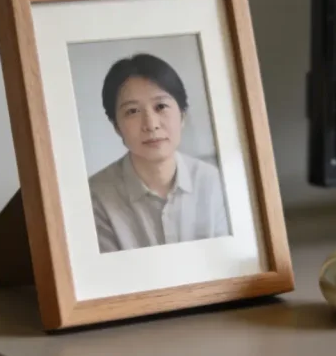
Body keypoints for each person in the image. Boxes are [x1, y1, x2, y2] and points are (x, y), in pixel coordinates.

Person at [88, 53, 231, 253]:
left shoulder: (214, 182)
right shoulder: (94, 197)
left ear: (182, 115)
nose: (151, 124)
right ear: (116, 127)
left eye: (161, 106)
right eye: (132, 111)